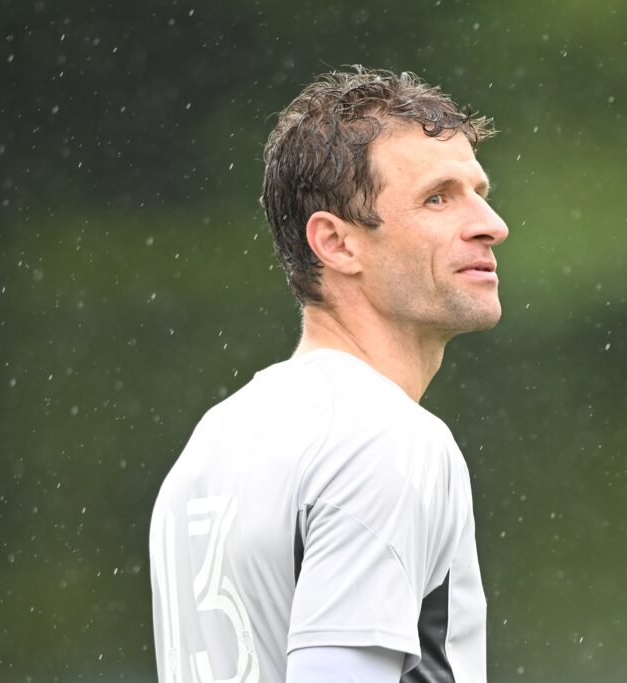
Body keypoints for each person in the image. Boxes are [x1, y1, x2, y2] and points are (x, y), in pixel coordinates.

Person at [149, 67, 508, 683]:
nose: (491, 224)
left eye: (479, 191)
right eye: (438, 198)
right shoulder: (386, 439)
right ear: (337, 244)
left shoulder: (211, 445)